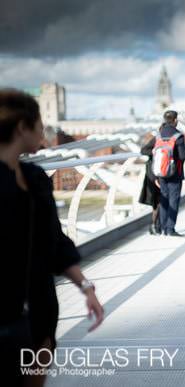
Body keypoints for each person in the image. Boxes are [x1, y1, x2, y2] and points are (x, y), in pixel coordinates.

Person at [0, 89, 105, 386]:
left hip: (40, 307)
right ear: (22, 127)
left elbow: (56, 243)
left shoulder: (35, 178)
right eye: (40, 125)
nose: (44, 135)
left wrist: (86, 287)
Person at [157, 110, 185, 237]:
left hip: (161, 172)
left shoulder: (159, 134)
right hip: (175, 173)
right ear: (175, 120)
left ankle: (163, 228)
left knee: (163, 199)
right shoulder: (178, 135)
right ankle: (170, 229)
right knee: (173, 200)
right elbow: (183, 155)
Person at [139, 132, 162, 235]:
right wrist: (156, 151)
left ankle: (156, 225)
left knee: (161, 201)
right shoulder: (157, 139)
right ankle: (154, 225)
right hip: (153, 174)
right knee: (156, 201)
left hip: (166, 172)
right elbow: (143, 150)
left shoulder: (174, 138)